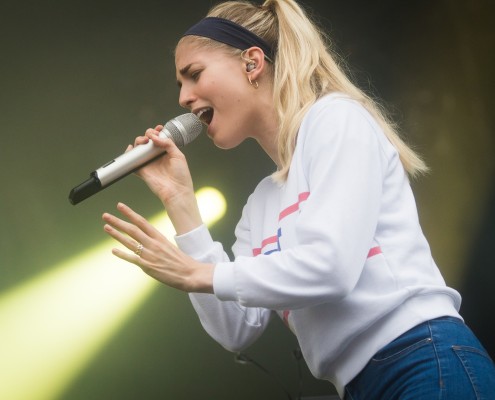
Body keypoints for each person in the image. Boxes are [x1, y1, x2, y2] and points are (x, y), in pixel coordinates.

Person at [101, 0, 495, 398]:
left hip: (422, 358)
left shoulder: (336, 119)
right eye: (180, 85)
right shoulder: (261, 204)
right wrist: (180, 201)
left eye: (194, 75)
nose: (184, 97)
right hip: (361, 385)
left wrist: (197, 274)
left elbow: (332, 267)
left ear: (252, 63)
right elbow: (235, 328)